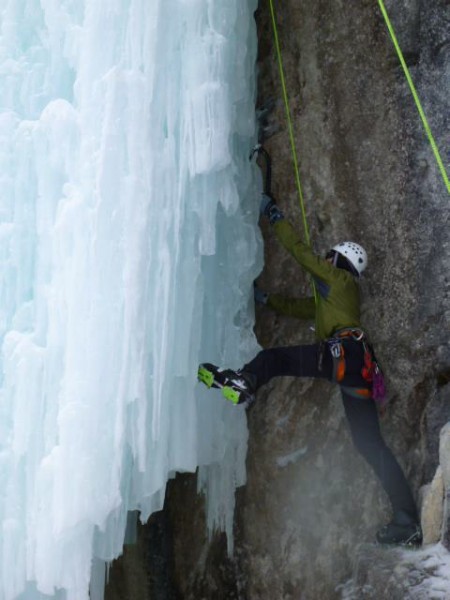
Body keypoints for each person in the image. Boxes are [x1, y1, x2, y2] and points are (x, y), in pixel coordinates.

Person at [198, 192, 423, 547]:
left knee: (273, 360)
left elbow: (301, 254)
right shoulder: (335, 299)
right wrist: (266, 300)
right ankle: (407, 521)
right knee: (369, 444)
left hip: (345, 354)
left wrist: (275, 216)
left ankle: (245, 381)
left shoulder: (341, 282)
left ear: (339, 260)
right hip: (356, 366)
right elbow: (303, 308)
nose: (325, 259)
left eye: (330, 256)